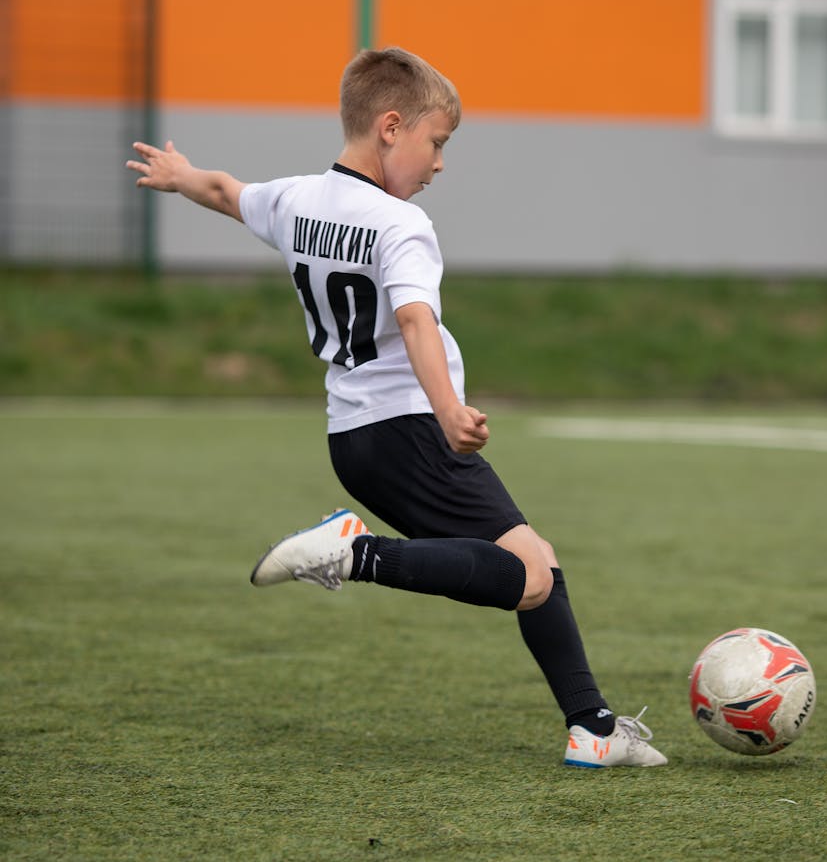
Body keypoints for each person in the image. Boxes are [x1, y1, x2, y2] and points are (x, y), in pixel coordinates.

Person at [127, 46, 667, 769]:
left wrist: (180, 176)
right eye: (435, 142)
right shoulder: (399, 224)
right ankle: (354, 555)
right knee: (530, 576)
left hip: (353, 440)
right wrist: (448, 411)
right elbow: (415, 321)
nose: (439, 164)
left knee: (536, 561)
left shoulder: (296, 200)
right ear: (390, 127)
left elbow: (228, 192)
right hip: (410, 430)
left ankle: (592, 729)